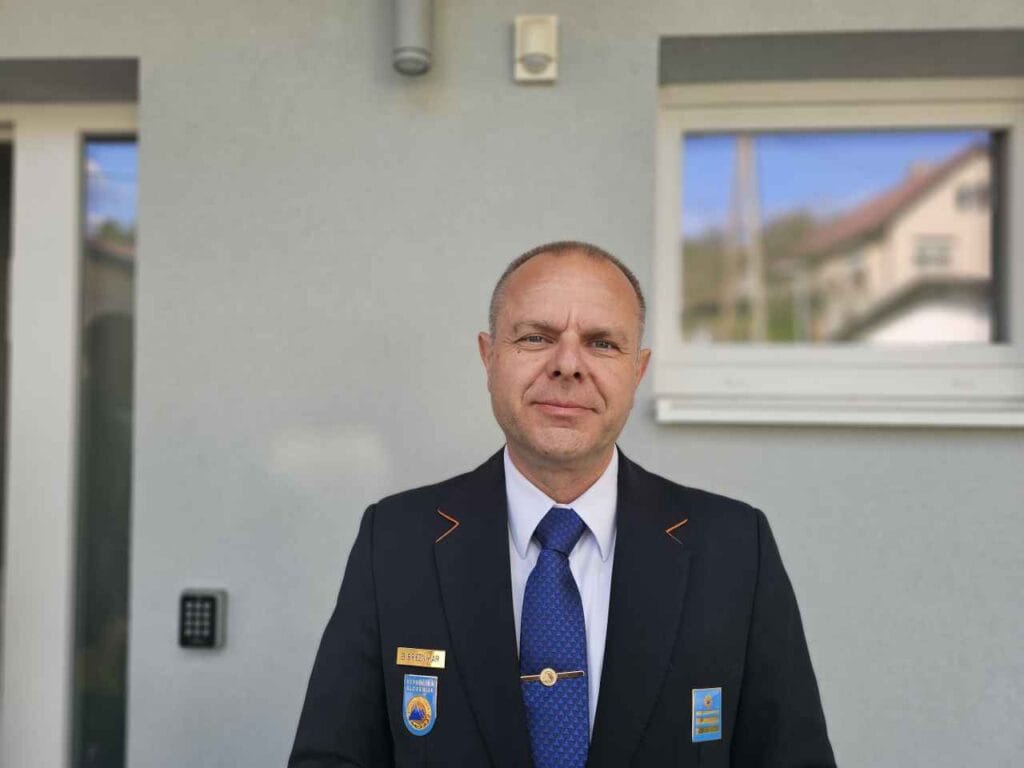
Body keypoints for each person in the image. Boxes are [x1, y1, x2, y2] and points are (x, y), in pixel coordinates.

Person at [288, 241, 835, 768]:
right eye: (535, 338)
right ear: (489, 357)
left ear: (638, 371)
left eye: (602, 343)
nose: (568, 364)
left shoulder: (735, 549)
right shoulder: (395, 541)